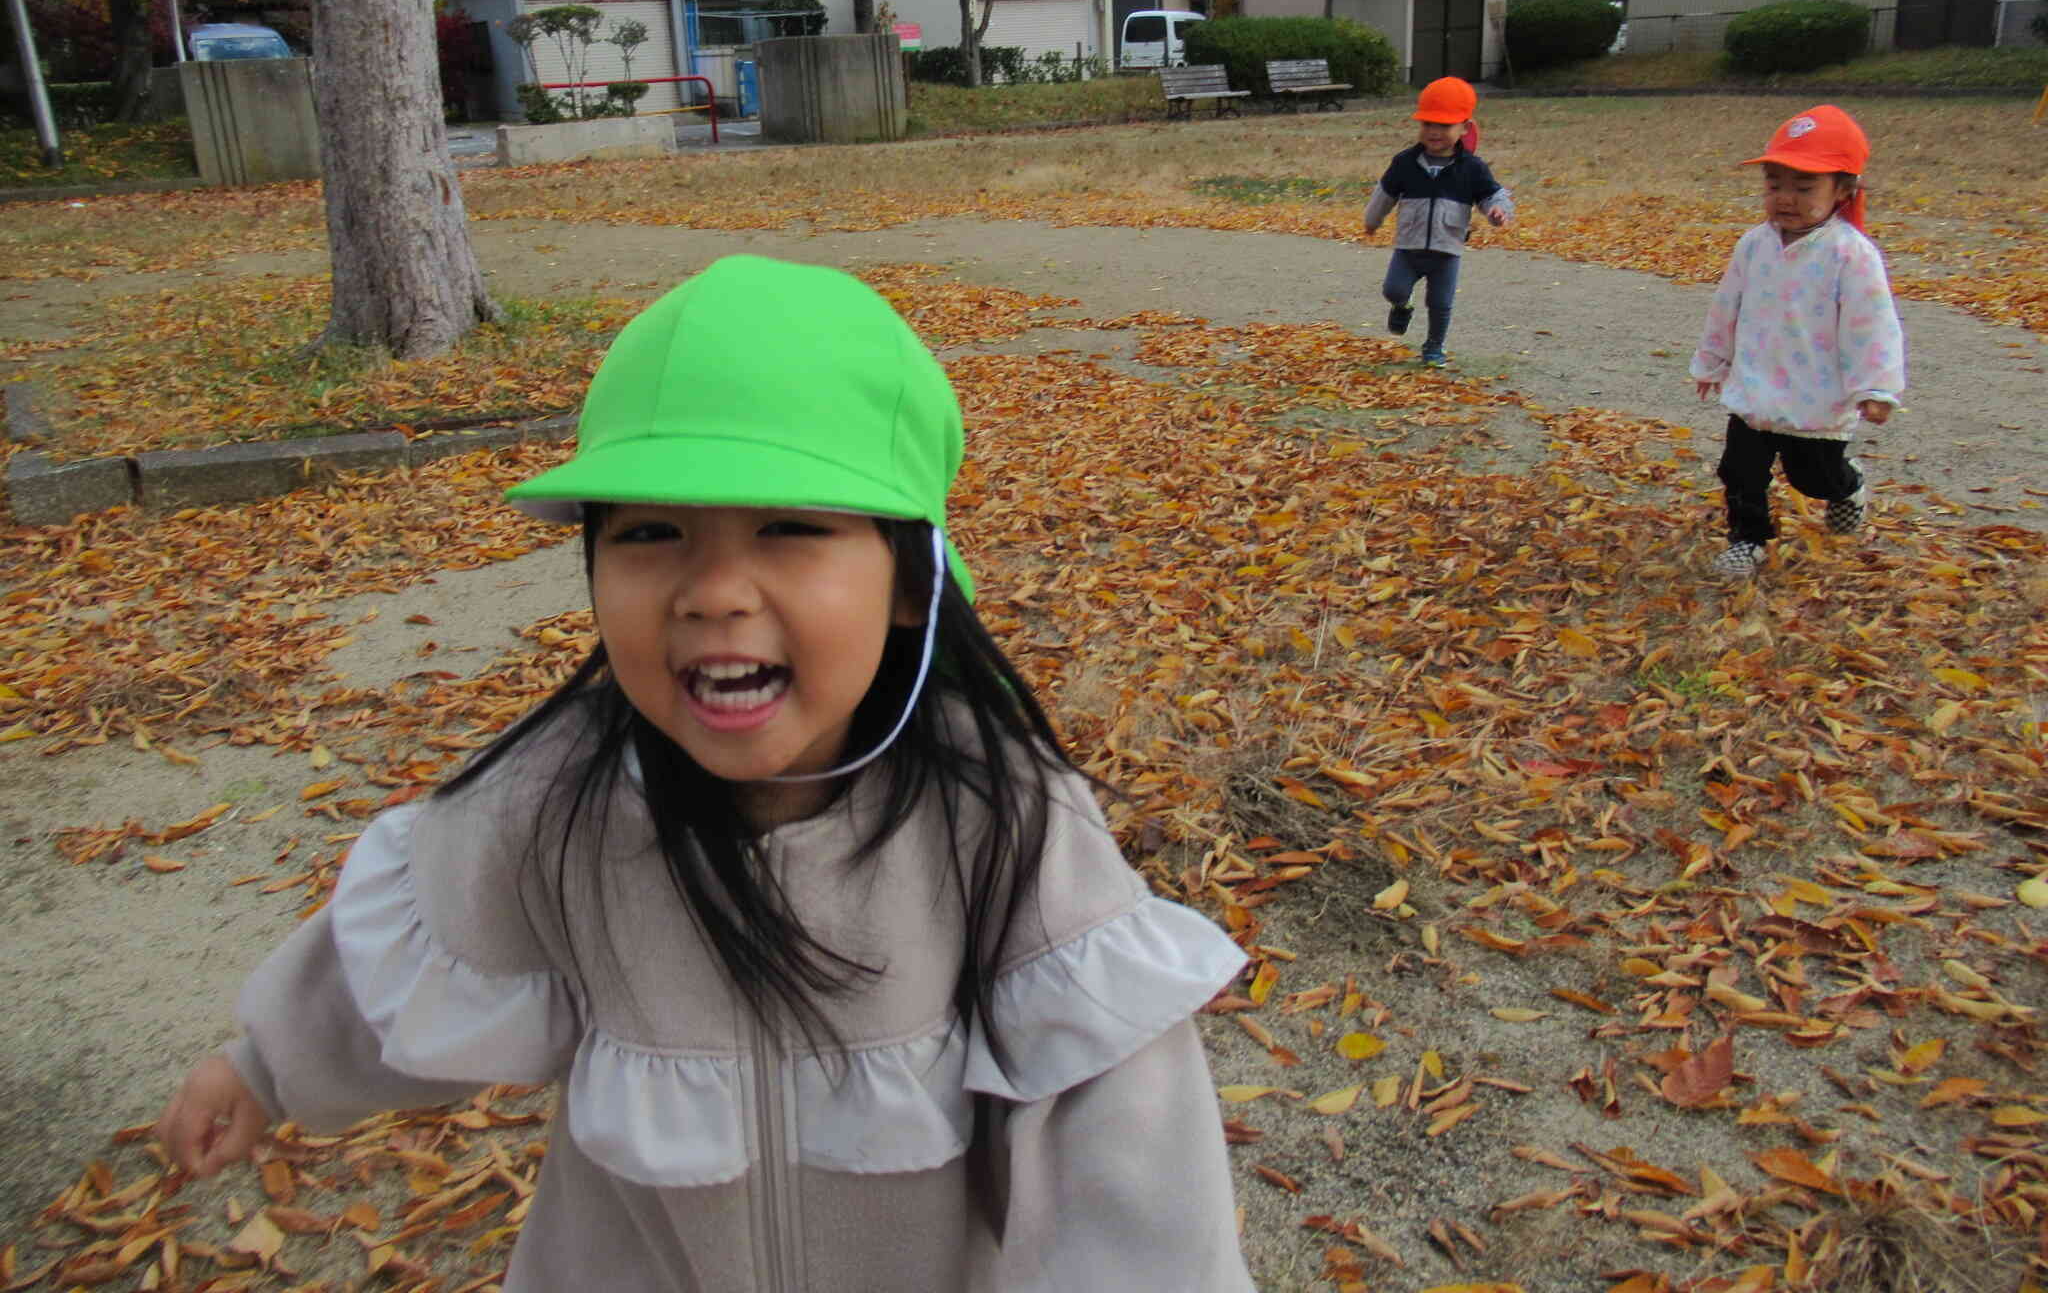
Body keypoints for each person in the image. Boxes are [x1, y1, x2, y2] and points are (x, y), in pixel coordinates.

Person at [157, 257, 1256, 1291]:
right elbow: (424, 935)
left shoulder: (1001, 822)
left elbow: (1124, 1140)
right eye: (650, 531)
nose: (712, 591)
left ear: (911, 585)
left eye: (788, 526)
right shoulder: (559, 801)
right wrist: (266, 1062)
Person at [1690, 105, 1906, 581]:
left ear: (1844, 189)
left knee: (1814, 478)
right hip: (1754, 387)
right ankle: (1749, 539)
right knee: (1739, 470)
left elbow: (1872, 324)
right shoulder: (1754, 244)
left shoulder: (1850, 255)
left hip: (1816, 396)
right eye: (1774, 184)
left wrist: (1876, 387)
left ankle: (1847, 487)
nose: (1785, 198)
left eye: (1804, 187)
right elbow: (1726, 305)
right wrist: (1711, 362)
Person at [1361, 75, 1514, 369]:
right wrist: (1372, 221)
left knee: (1441, 304)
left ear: (1465, 128)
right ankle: (1402, 307)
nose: (1434, 132)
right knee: (1393, 289)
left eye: (1444, 126)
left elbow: (1493, 195)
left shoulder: (1471, 168)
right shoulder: (1405, 162)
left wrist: (1497, 211)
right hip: (1408, 249)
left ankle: (1433, 346)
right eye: (1427, 124)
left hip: (1447, 251)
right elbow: (1385, 195)